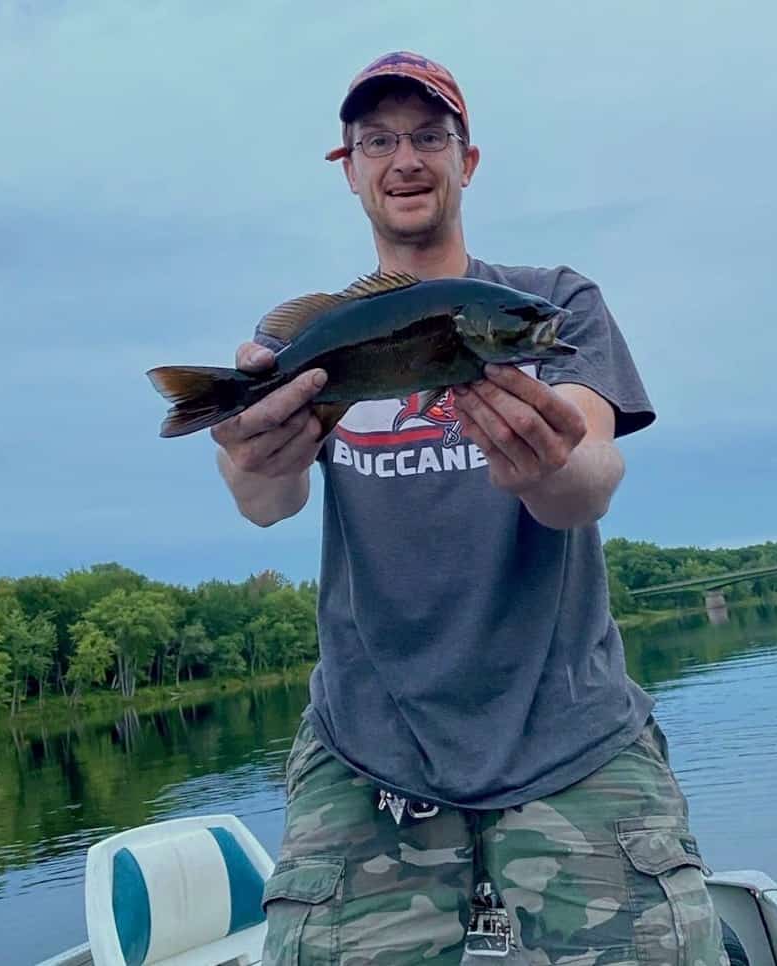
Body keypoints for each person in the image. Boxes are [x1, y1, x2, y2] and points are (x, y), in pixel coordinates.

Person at [212, 51, 729, 966]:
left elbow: (590, 479)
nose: (404, 159)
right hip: (367, 743)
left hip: (570, 731)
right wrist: (251, 447)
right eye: (379, 140)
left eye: (428, 137)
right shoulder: (309, 333)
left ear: (467, 159)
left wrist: (543, 469)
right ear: (349, 166)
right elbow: (265, 503)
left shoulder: (552, 303)